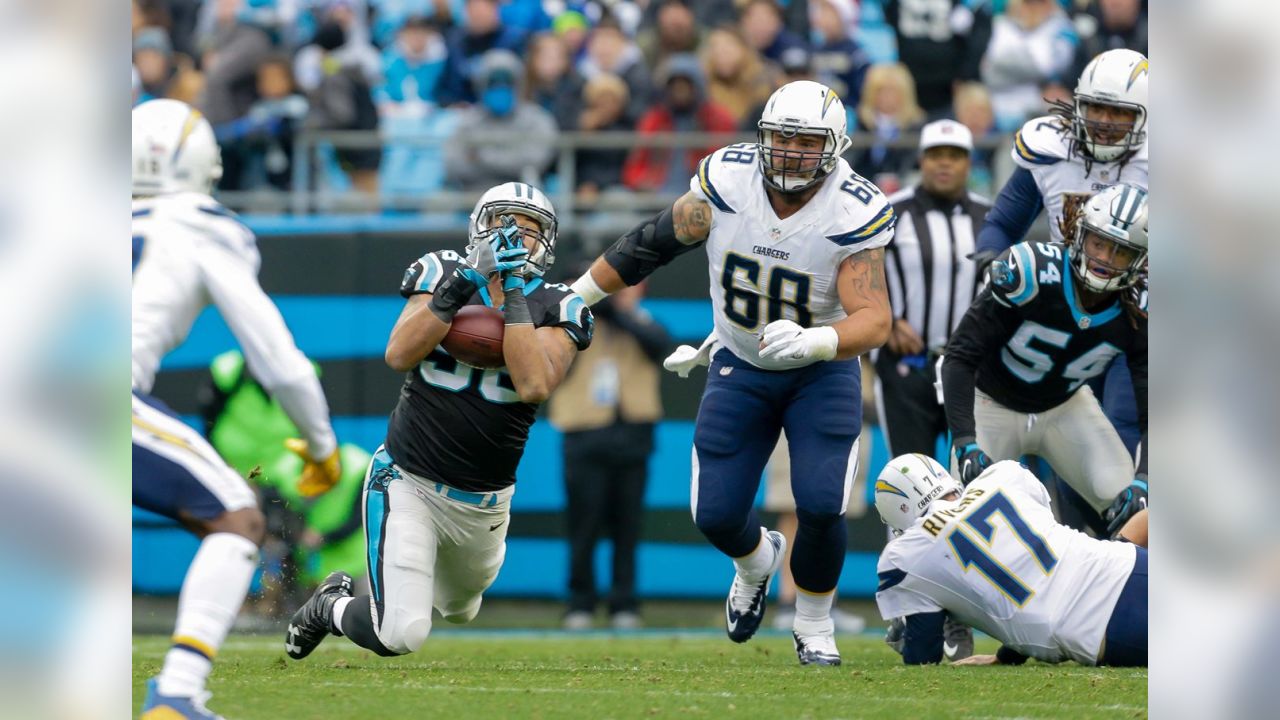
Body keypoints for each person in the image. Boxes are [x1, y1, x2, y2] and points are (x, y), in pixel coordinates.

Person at [572, 80, 896, 666]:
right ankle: (755, 563)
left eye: (806, 142)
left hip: (820, 372)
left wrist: (818, 338)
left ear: (835, 146)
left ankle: (815, 622)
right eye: (781, 138)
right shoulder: (727, 180)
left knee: (822, 503)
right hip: (741, 362)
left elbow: (874, 319)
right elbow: (651, 244)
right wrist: (579, 296)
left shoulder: (853, 208)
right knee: (715, 513)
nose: (791, 152)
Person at [283, 182, 594, 661]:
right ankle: (331, 607)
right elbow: (398, 352)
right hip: (409, 478)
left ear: (547, 243)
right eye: (504, 224)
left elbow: (534, 383)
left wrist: (511, 291)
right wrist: (466, 281)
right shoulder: (442, 270)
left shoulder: (560, 304)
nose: (516, 237)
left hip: (484, 502)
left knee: (460, 607)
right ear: (479, 228)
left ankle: (346, 602)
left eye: (530, 230)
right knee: (402, 632)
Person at [133, 99, 341, 719]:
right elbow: (278, 360)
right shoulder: (203, 224)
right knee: (236, 517)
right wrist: (322, 446)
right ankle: (178, 695)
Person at [940, 183, 1149, 538]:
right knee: (967, 524)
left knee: (1135, 511)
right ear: (1079, 234)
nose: (1103, 259)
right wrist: (965, 439)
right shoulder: (1032, 270)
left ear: (1141, 260)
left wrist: (1145, 478)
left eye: (1120, 252)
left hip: (1067, 408)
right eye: (1099, 243)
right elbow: (959, 355)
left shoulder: (1139, 307)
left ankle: (1127, 592)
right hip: (990, 402)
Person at [873, 456, 1147, 666]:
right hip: (1125, 562)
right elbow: (1038, 565)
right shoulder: (1003, 475)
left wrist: (909, 636)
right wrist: (1007, 657)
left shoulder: (906, 556)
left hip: (1097, 625)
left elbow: (924, 655)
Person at [549, 282, 669, 630]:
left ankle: (624, 602)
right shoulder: (574, 324)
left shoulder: (645, 322)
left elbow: (659, 345)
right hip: (584, 433)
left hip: (632, 434)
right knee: (582, 525)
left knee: (627, 526)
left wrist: (623, 310)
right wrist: (590, 306)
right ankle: (580, 602)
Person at [876, 120, 991, 461]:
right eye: (935, 155)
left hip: (972, 369)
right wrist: (889, 320)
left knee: (977, 481)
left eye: (954, 156)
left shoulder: (990, 217)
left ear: (968, 163)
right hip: (907, 366)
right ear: (921, 161)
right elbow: (856, 273)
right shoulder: (889, 212)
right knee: (913, 478)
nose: (944, 163)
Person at [443, 49, 560, 191]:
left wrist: (480, 156)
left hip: (522, 200)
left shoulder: (538, 119)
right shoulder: (467, 121)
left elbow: (535, 162)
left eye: (506, 82)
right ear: (482, 84)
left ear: (518, 84)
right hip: (474, 199)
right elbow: (453, 165)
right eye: (493, 82)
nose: (500, 87)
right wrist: (511, 159)